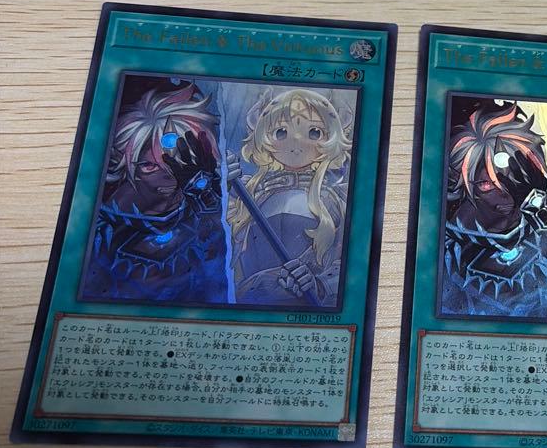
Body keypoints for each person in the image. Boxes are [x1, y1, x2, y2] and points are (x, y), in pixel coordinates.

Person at [82, 81, 228, 304]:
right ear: (125, 165)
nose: (169, 175)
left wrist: (209, 193)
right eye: (150, 166)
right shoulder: (102, 230)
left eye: (178, 162)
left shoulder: (208, 207)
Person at [440, 102, 547, 319]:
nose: (504, 194)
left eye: (511, 178)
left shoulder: (545, 220)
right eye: (486, 184)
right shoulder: (451, 247)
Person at [227, 88, 351, 307]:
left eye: (314, 132)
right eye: (281, 132)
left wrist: (320, 285)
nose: (296, 142)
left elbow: (353, 261)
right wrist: (221, 177)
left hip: (307, 305)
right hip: (251, 301)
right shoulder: (248, 192)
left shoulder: (337, 198)